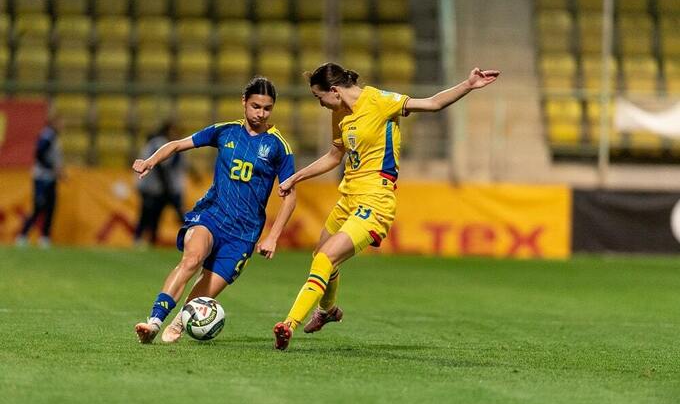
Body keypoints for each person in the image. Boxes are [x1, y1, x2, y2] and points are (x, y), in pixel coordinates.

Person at [272, 63, 500, 350]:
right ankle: (327, 310)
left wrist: (468, 85)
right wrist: (296, 177)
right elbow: (334, 156)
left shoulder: (379, 101)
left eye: (320, 97)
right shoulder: (340, 112)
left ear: (334, 90)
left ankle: (288, 324)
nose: (320, 104)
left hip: (375, 201)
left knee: (326, 258)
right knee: (321, 256)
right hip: (348, 198)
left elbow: (432, 103)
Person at [133, 77, 297, 344]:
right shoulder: (225, 131)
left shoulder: (279, 146)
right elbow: (176, 144)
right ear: (244, 102)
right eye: (255, 106)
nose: (261, 113)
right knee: (191, 259)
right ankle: (153, 322)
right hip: (212, 215)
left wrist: (273, 236)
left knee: (205, 292)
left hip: (244, 233)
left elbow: (290, 197)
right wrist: (150, 161)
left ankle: (179, 322)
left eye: (267, 108)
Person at [134, 121, 186, 247]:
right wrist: (168, 188)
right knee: (148, 213)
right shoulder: (160, 143)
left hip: (160, 187)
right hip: (153, 187)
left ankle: (146, 240)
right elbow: (160, 167)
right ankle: (139, 239)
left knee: (153, 214)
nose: (176, 133)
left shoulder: (168, 143)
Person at [16, 114, 64, 248]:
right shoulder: (47, 136)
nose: (63, 126)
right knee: (38, 207)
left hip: (50, 177)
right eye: (60, 123)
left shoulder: (53, 137)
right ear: (53, 122)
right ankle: (23, 235)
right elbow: (39, 154)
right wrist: (53, 167)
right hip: (42, 178)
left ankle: (45, 237)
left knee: (50, 208)